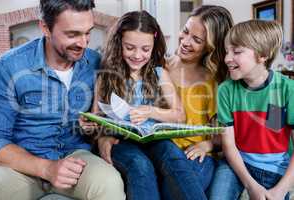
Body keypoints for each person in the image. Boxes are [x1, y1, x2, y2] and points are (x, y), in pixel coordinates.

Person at [0, 0, 125, 200]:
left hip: (76, 159)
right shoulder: (8, 67)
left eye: (88, 32)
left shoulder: (96, 63)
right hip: (21, 165)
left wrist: (102, 133)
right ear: (45, 27)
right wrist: (47, 169)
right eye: (72, 34)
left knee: (110, 183)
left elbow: (106, 116)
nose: (83, 42)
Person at [81, 10, 188, 200]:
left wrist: (151, 111)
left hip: (152, 137)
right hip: (120, 141)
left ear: (154, 45)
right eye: (129, 47)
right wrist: (92, 128)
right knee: (140, 165)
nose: (138, 55)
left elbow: (180, 115)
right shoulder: (105, 75)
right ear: (118, 43)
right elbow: (96, 119)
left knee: (174, 157)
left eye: (145, 49)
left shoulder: (159, 73)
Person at [208, 20, 294, 200]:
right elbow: (229, 145)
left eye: (237, 52)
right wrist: (250, 185)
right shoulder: (226, 90)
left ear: (262, 55)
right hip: (237, 163)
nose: (227, 58)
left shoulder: (287, 89)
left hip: (276, 168)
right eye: (227, 51)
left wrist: (281, 189)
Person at [163, 5, 233, 199]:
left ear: (210, 46)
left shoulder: (214, 81)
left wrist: (207, 145)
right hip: (163, 152)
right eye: (185, 31)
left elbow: (224, 134)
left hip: (196, 156)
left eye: (197, 40)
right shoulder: (161, 66)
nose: (185, 42)